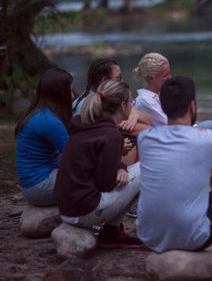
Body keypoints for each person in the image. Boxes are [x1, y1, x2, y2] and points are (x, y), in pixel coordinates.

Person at [137, 76, 212, 267]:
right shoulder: (207, 140)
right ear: (192, 106)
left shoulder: (145, 138)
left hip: (150, 237)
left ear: (164, 107)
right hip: (193, 238)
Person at [54, 80, 142, 249]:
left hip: (66, 208)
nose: (132, 105)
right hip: (83, 212)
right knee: (146, 169)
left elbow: (93, 165)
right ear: (123, 105)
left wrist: (120, 166)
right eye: (131, 101)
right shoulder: (111, 135)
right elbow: (105, 184)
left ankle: (111, 233)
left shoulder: (85, 124)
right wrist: (119, 167)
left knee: (133, 172)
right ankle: (111, 233)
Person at [74, 58, 150, 165]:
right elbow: (148, 129)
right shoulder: (91, 104)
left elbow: (147, 120)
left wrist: (134, 116)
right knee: (133, 139)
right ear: (104, 80)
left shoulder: (104, 98)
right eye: (118, 78)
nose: (122, 81)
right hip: (96, 163)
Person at [15, 68, 73, 206]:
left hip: (32, 184)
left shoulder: (40, 113)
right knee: (93, 175)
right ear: (59, 93)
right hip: (40, 186)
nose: (72, 96)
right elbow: (74, 155)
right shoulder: (49, 120)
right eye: (69, 91)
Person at [133, 52, 212, 135]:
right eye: (165, 75)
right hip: (173, 135)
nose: (170, 78)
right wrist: (209, 133)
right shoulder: (146, 101)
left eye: (169, 73)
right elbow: (173, 125)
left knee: (211, 124)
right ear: (151, 78)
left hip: (178, 130)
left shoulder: (159, 93)